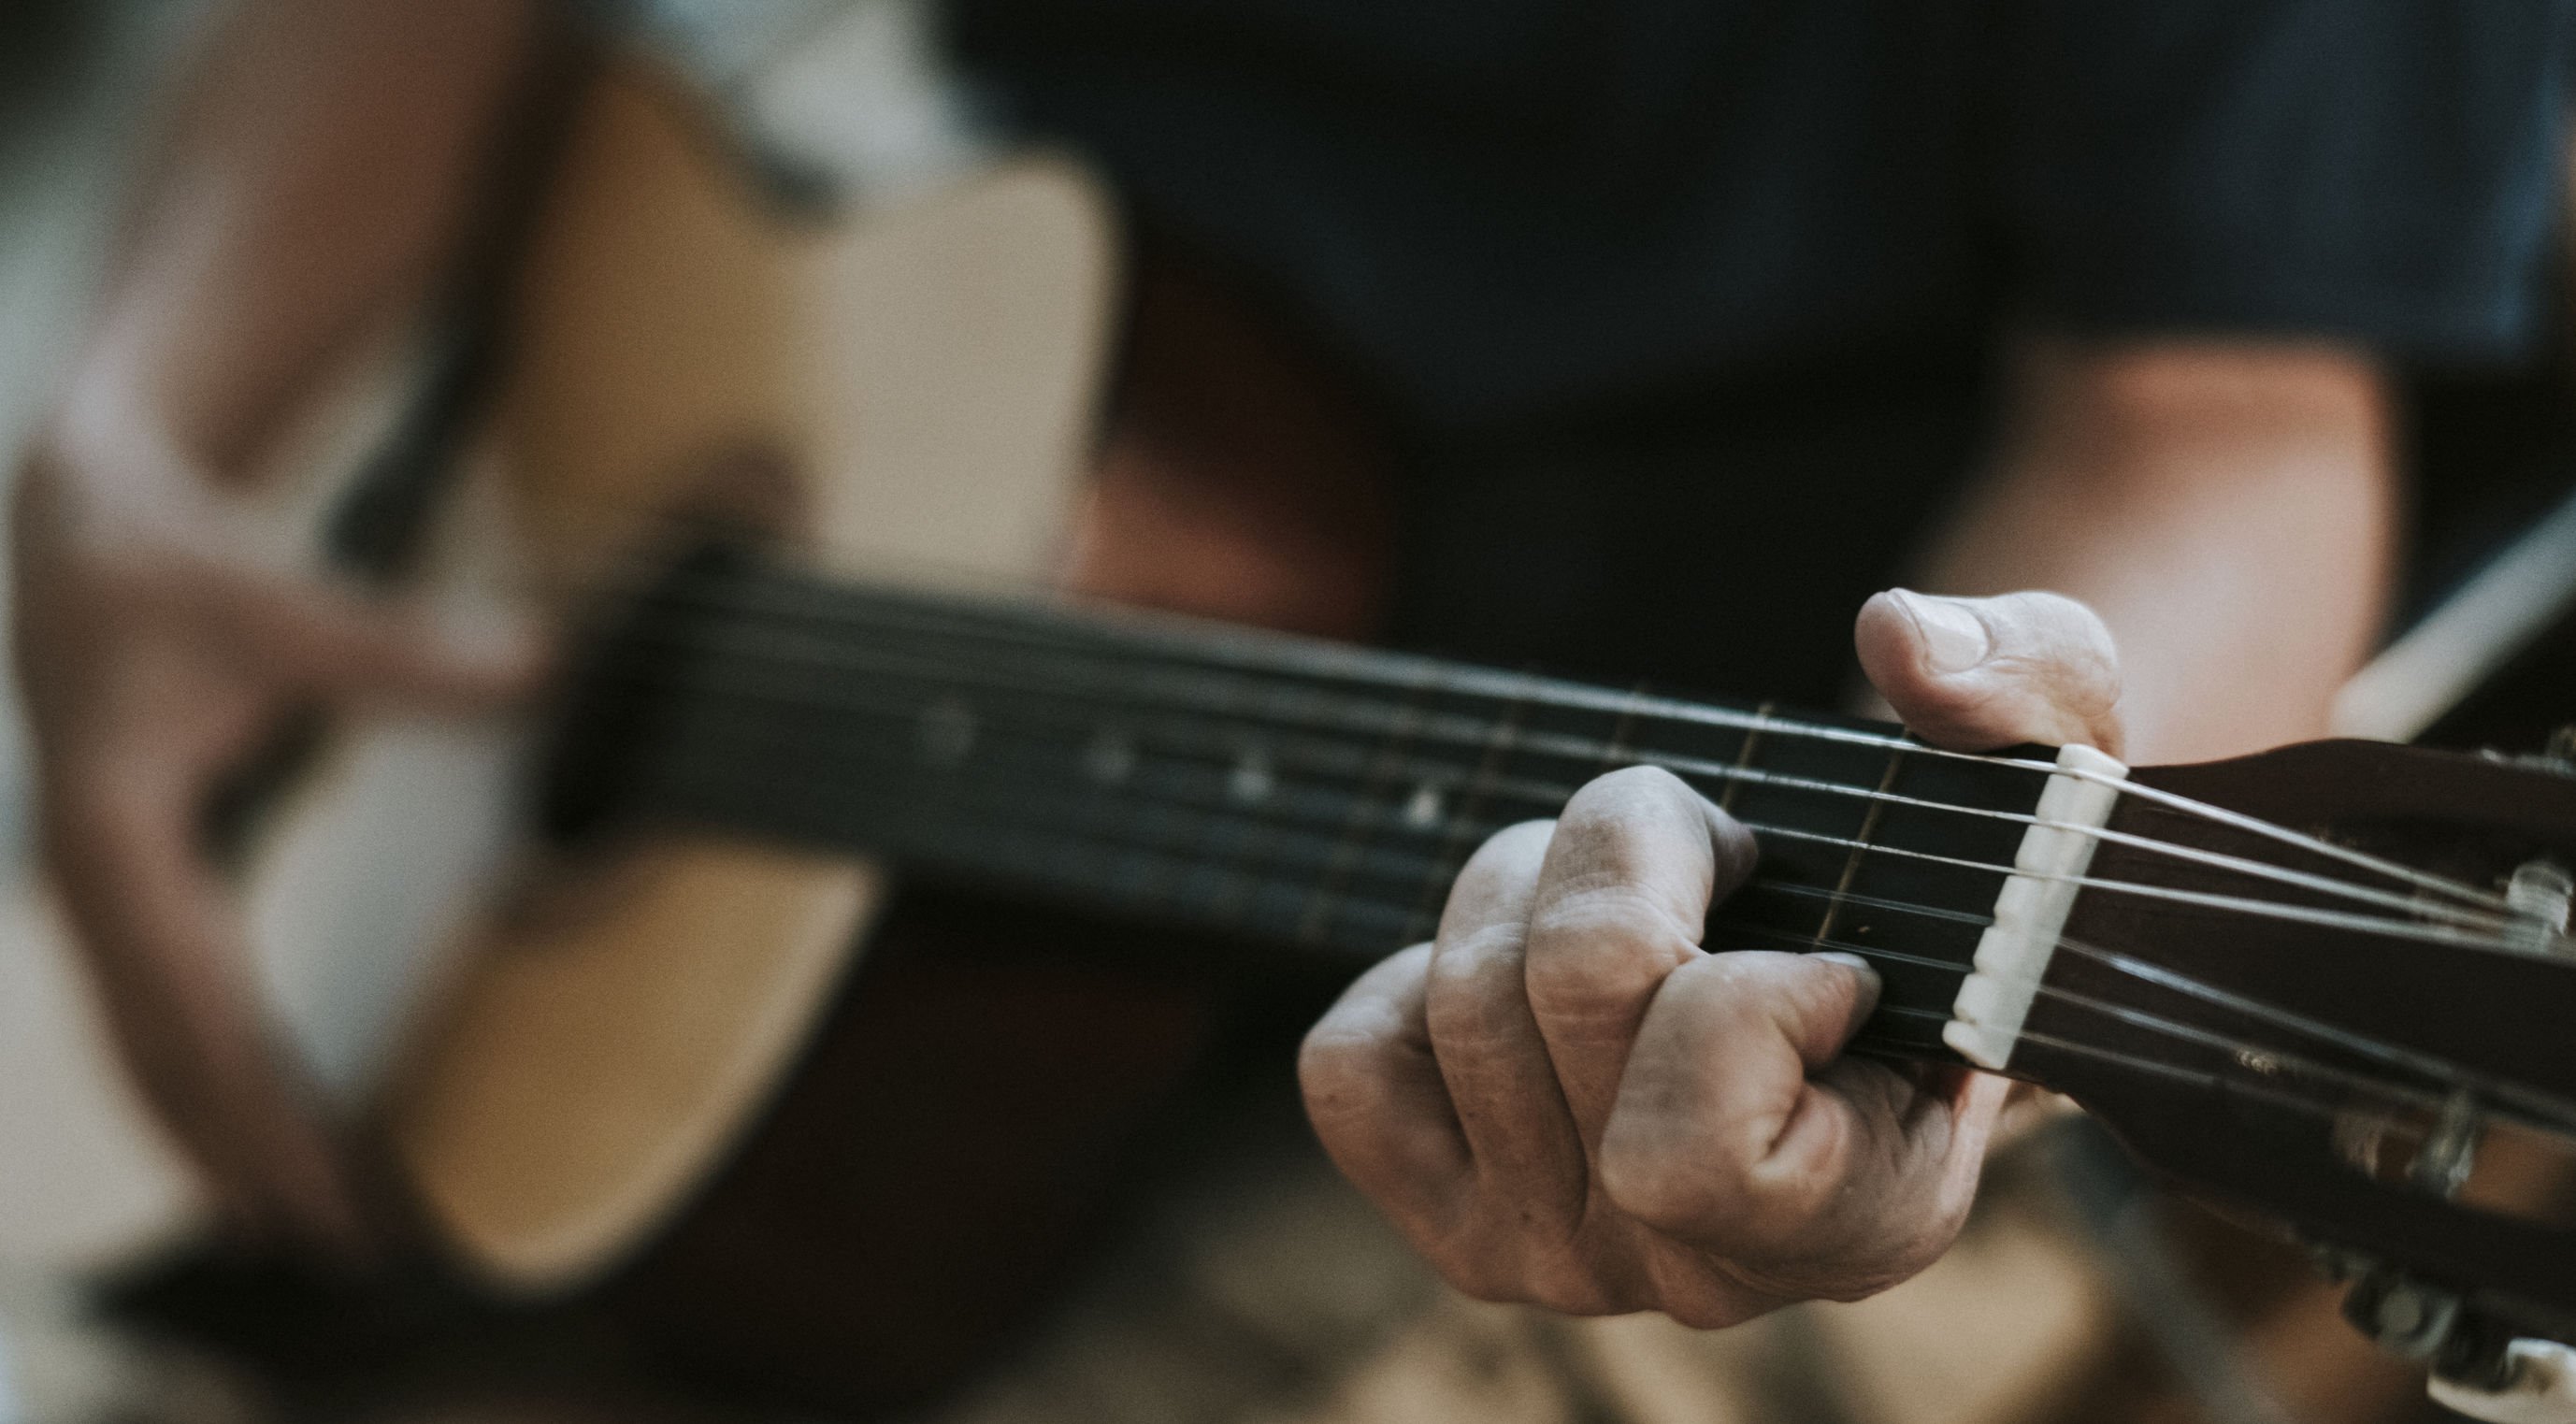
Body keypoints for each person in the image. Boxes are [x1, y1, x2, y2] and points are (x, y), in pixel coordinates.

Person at [10, 0, 2569, 1388]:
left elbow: (2209, 407)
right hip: (851, 430)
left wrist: (1950, 1039)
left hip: (1499, 997)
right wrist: (130, 451)